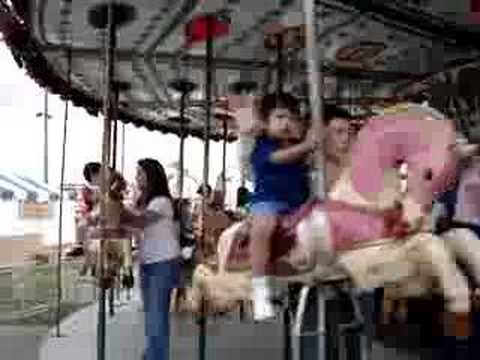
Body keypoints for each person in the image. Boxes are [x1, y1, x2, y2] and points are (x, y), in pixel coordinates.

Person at [248, 92, 317, 321]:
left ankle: (304, 267)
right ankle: (259, 290)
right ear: (265, 123)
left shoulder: (298, 145)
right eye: (279, 117)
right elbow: (279, 158)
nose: (286, 122)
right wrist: (307, 146)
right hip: (269, 201)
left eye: (290, 117)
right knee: (262, 228)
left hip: (299, 203)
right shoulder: (263, 147)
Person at [120, 158, 180, 360]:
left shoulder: (161, 202)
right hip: (149, 263)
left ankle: (157, 356)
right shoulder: (145, 201)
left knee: (156, 317)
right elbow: (135, 228)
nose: (136, 177)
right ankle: (152, 354)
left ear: (151, 175)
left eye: (139, 173)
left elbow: (139, 221)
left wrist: (115, 206)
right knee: (151, 315)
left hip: (162, 263)